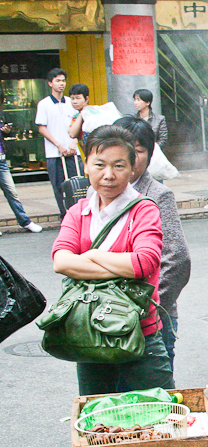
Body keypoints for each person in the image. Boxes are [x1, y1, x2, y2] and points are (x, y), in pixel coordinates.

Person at [51, 125, 172, 394]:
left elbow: (143, 264)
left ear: (132, 168)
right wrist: (121, 267)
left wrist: (91, 256)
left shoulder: (143, 210)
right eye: (100, 164)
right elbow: (61, 261)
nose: (109, 175)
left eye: (118, 166)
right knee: (98, 417)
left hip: (141, 333)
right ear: (86, 166)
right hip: (90, 334)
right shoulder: (77, 212)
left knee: (160, 415)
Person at [113, 116, 191, 370]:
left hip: (149, 320)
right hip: (108, 318)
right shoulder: (98, 194)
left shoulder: (157, 195)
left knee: (154, 397)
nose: (131, 160)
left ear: (150, 153)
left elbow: (177, 260)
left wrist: (148, 309)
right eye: (124, 151)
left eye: (138, 151)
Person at [35, 67, 80, 217]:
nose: (61, 84)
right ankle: (65, 216)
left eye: (63, 81)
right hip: (54, 154)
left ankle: (78, 215)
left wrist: (74, 142)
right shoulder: (44, 104)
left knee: (77, 185)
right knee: (59, 187)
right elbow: (42, 128)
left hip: (73, 152)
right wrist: (59, 145)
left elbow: (79, 123)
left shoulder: (71, 102)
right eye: (58, 81)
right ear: (50, 83)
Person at [0, 91, 40, 233]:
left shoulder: (1, 114)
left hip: (1, 160)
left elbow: (8, 134)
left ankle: (25, 221)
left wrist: (6, 131)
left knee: (12, 192)